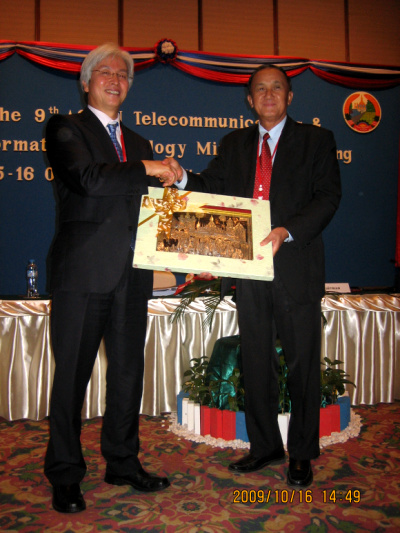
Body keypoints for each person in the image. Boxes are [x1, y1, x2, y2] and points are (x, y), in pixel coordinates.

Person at [163, 64, 341, 488]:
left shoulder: (316, 140)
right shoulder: (235, 143)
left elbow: (327, 197)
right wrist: (182, 177)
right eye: (260, 89)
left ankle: (302, 453)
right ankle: (265, 447)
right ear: (249, 99)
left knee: (301, 366)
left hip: (295, 268)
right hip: (249, 271)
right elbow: (211, 185)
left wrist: (286, 230)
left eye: (277, 88)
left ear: (290, 96)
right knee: (257, 363)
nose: (268, 95)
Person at [44, 43, 176, 513]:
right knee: (71, 379)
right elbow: (89, 179)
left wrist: (177, 193)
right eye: (105, 72)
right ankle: (65, 473)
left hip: (133, 275)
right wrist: (148, 169)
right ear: (86, 82)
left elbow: (156, 209)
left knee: (127, 375)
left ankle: (122, 461)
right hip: (82, 274)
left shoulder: (140, 143)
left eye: (123, 75)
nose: (116, 80)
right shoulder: (65, 128)